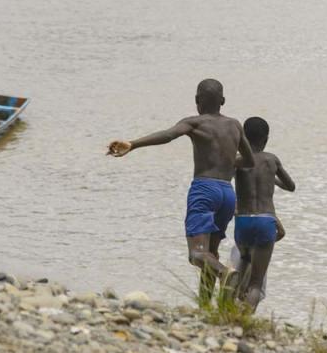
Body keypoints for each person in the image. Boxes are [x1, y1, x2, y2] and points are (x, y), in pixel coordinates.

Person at [107, 79, 254, 303]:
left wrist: (133, 144)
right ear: (223, 101)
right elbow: (250, 160)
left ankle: (226, 274)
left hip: (204, 189)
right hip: (227, 192)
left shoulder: (194, 122)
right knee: (210, 254)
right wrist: (227, 161)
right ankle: (205, 306)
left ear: (196, 101)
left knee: (197, 254)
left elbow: (168, 135)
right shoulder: (235, 125)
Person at [231, 117, 295, 310]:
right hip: (266, 220)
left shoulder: (238, 161)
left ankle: (228, 309)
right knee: (256, 284)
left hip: (242, 221)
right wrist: (271, 180)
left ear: (242, 137)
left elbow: (225, 178)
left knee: (242, 266)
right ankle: (244, 317)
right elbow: (291, 186)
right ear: (266, 139)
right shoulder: (272, 160)